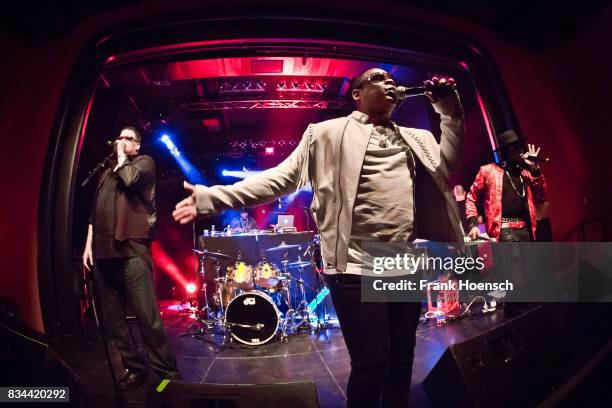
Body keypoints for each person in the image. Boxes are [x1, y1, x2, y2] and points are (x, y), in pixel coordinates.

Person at [173, 69, 465, 407]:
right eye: (377, 78)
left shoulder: (419, 138)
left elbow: (451, 161)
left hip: (405, 261)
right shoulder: (326, 133)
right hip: (355, 265)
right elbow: (280, 178)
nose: (388, 82)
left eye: (391, 79)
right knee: (371, 365)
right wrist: (214, 197)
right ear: (356, 94)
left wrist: (449, 109)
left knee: (402, 360)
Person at [82, 126, 180, 388]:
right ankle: (136, 368)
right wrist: (88, 245)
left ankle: (167, 376)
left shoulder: (143, 163)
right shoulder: (105, 173)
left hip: (131, 251)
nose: (121, 141)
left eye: (128, 138)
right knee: (113, 321)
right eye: (120, 137)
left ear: (137, 145)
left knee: (147, 318)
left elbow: (131, 180)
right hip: (103, 254)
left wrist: (122, 158)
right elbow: (95, 213)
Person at [465, 130, 548, 242]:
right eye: (514, 148)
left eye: (519, 147)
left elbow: (542, 197)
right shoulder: (488, 171)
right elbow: (471, 198)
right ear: (504, 152)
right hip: (504, 231)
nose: (519, 151)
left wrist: (535, 170)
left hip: (527, 230)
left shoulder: (525, 174)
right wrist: (473, 224)